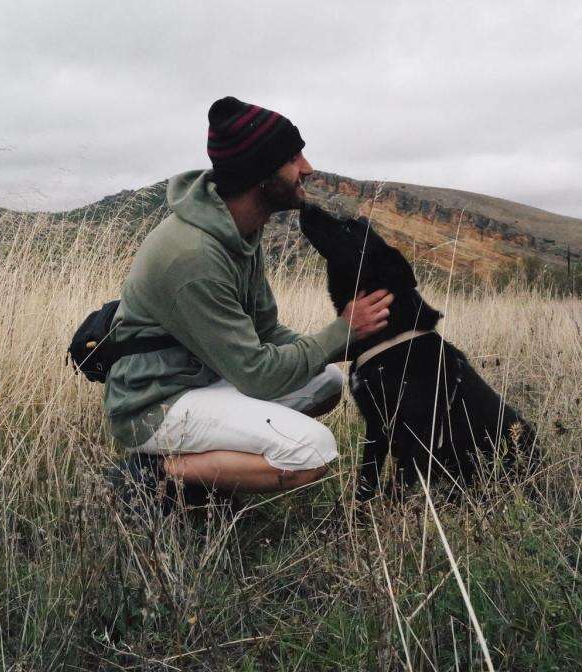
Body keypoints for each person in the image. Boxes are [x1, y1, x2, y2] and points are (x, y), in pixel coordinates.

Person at [103, 96, 393, 505]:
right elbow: (257, 374)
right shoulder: (194, 255)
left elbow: (266, 330)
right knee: (311, 454)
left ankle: (212, 475)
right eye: (293, 158)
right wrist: (341, 330)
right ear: (260, 173)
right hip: (154, 404)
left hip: (202, 380)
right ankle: (152, 474)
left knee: (326, 380)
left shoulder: (239, 229)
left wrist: (354, 343)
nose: (307, 168)